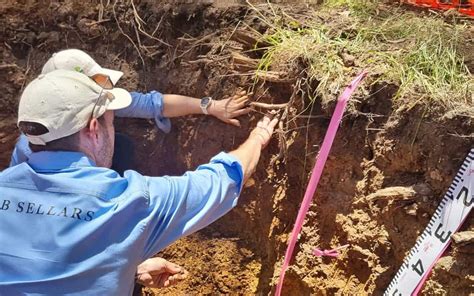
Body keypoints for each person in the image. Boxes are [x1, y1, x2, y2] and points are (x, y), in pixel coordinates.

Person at [0, 69, 277, 295]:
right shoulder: (128, 202)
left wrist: (123, 268)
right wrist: (257, 139)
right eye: (110, 122)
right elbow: (220, 181)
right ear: (93, 130)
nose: (112, 130)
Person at [10, 49, 252, 170]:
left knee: (122, 145)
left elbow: (153, 104)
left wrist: (210, 106)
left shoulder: (91, 104)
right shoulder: (29, 150)